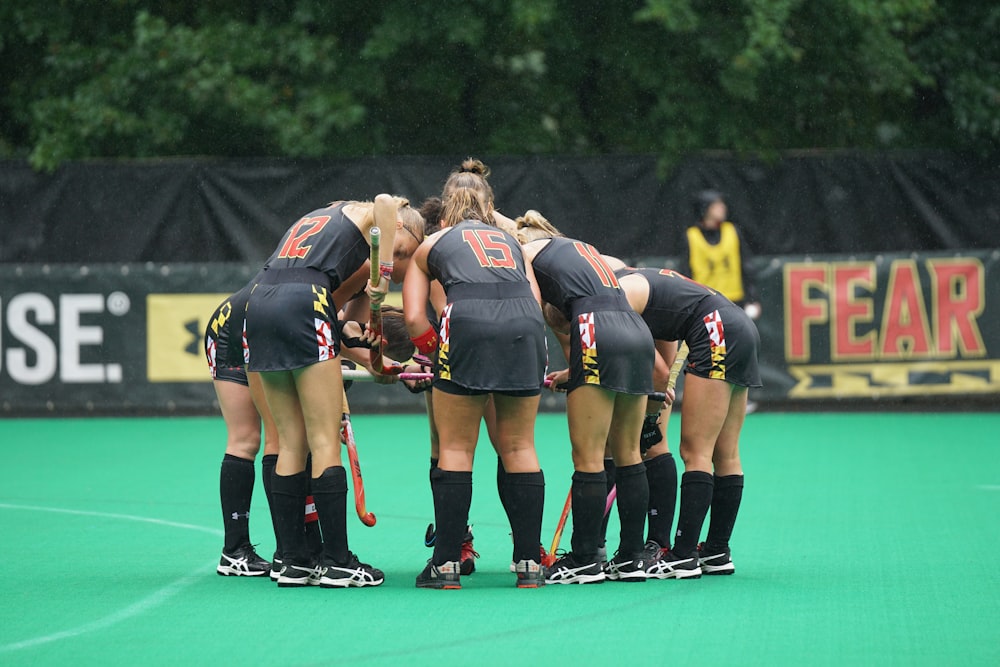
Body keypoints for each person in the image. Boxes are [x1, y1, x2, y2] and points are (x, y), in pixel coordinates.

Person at [244, 195, 423, 588]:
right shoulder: (366, 214)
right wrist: (383, 273)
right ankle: (338, 562)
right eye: (406, 249)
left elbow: (348, 332)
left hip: (260, 301)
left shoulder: (327, 224)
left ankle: (293, 560)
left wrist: (379, 364)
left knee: (292, 441)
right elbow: (384, 202)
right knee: (324, 440)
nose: (402, 266)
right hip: (303, 299)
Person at [403, 185, 548, 589]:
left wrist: (437, 357)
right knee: (519, 446)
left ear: (446, 211)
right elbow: (534, 301)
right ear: (490, 210)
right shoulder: (512, 242)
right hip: (525, 326)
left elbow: (415, 318)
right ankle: (529, 564)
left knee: (455, 448)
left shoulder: (432, 243)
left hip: (466, 322)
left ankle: (446, 564)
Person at [517, 212, 656, 584]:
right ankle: (632, 557)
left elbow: (529, 307)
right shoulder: (579, 247)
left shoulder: (525, 253)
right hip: (636, 329)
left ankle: (583, 559)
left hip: (595, 329)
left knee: (588, 456)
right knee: (628, 453)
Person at [613, 264, 762, 577]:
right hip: (737, 326)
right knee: (726, 453)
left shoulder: (618, 292)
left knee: (696, 451)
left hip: (716, 331)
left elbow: (657, 368)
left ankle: (682, 554)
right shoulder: (641, 283)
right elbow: (660, 356)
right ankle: (717, 552)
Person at [678, 190, 761, 319]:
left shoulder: (732, 231)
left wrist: (752, 298)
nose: (722, 208)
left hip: (734, 301)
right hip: (705, 303)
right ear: (705, 209)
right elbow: (685, 273)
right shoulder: (691, 236)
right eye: (716, 205)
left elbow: (747, 266)